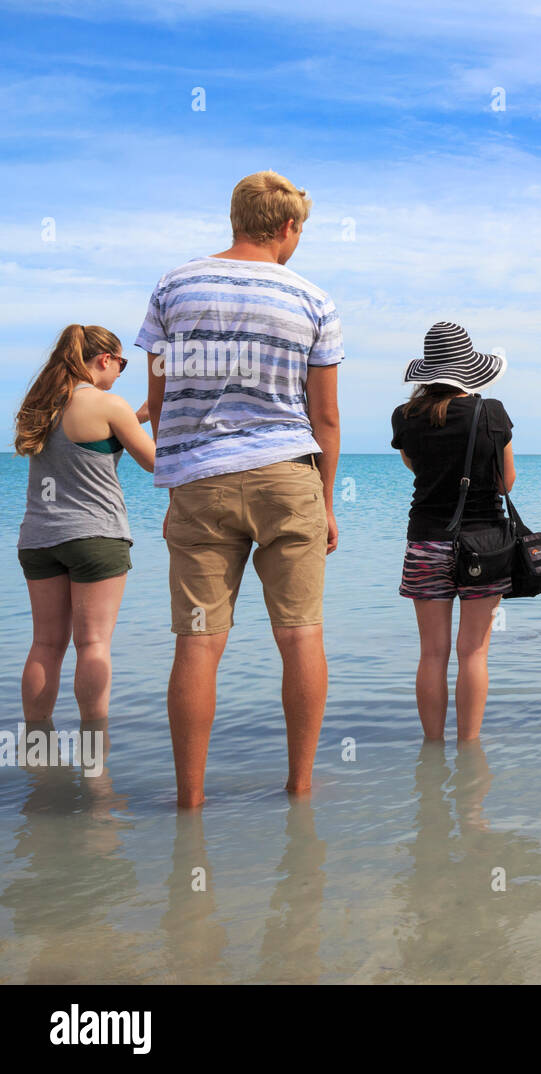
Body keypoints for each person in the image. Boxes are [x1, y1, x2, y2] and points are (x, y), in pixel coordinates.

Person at [137, 170, 343, 808]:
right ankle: (300, 789)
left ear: (235, 217)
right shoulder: (314, 301)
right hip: (288, 474)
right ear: (286, 226)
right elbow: (327, 417)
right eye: (299, 229)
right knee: (301, 632)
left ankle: (190, 801)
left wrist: (174, 485)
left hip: (200, 481)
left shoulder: (174, 287)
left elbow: (159, 399)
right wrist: (327, 501)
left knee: (199, 639)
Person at [15, 325, 156, 727]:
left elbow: (88, 448)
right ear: (104, 360)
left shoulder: (40, 404)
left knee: (45, 643)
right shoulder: (108, 404)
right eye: (121, 364)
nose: (119, 373)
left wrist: (139, 416)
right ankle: (96, 747)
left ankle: (36, 743)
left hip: (39, 539)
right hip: (96, 536)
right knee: (93, 644)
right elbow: (155, 463)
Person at [392, 321, 515, 741]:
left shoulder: (405, 417)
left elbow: (417, 470)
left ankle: (432, 749)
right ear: (469, 368)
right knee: (474, 652)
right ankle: (469, 751)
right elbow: (505, 484)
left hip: (426, 541)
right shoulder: (491, 413)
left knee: (431, 654)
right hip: (484, 544)